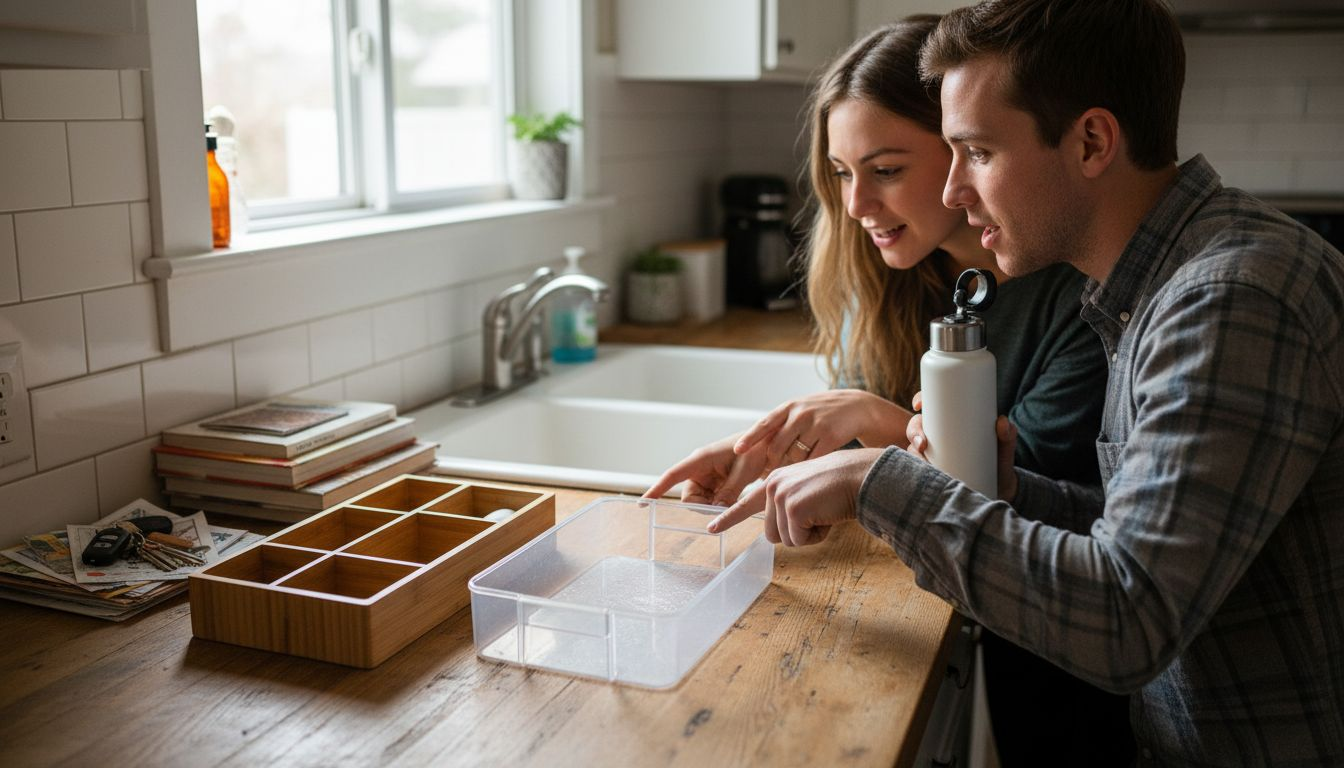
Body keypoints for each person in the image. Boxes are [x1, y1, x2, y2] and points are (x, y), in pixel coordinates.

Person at [702, 1, 1344, 765]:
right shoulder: (1157, 289)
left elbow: (1126, 619)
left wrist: (883, 482)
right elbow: (1138, 531)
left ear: (1092, 142)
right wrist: (1012, 496)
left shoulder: (1231, 299)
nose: (954, 193)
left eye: (975, 152)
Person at [644, 18, 1130, 765]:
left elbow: (1009, 490)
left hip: (1070, 675)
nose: (854, 204)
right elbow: (855, 440)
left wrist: (877, 418)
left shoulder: (1079, 300)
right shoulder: (897, 279)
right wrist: (764, 454)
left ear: (964, 148)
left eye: (886, 169)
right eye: (841, 173)